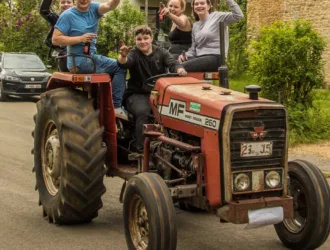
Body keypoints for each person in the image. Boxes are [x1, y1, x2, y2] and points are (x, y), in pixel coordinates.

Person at [117, 25, 187, 153]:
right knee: (143, 111)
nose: (142, 42)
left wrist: (179, 69)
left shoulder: (161, 52)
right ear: (135, 40)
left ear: (151, 38)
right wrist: (122, 56)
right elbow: (125, 62)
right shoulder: (133, 54)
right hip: (137, 94)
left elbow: (172, 63)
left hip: (158, 93)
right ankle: (141, 151)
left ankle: (176, 147)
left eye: (145, 38)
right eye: (139, 39)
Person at [52, 0, 126, 114]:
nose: (83, 0)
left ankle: (101, 102)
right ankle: (116, 107)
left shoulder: (93, 8)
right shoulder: (67, 16)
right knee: (120, 67)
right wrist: (80, 39)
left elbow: (111, 5)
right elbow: (55, 39)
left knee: (119, 64)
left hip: (91, 58)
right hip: (79, 62)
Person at [178, 0, 243, 72]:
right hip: (199, 57)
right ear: (193, 8)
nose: (199, 6)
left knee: (179, 67)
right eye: (196, 4)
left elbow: (238, 15)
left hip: (215, 57)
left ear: (208, 6)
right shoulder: (196, 25)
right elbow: (193, 48)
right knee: (174, 63)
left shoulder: (217, 17)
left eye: (202, 3)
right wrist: (185, 55)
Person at [40, 0, 74, 72]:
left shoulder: (80, 18)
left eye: (68, 2)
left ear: (73, 4)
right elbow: (43, 11)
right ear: (59, 5)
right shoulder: (56, 18)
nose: (66, 4)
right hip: (65, 56)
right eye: (63, 2)